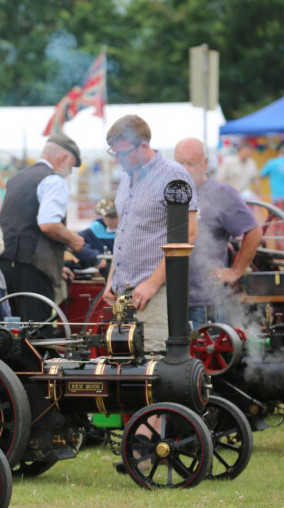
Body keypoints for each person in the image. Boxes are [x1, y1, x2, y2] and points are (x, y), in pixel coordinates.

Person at [102, 115, 198, 353]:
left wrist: (153, 283)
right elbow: (123, 235)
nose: (118, 161)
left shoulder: (173, 175)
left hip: (155, 293)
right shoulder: (126, 178)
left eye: (122, 154)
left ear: (143, 145)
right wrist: (112, 279)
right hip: (123, 293)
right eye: (114, 154)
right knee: (124, 364)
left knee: (153, 367)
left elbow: (189, 235)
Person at [0, 133, 85, 325]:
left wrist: (54, 266)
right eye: (71, 165)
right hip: (32, 270)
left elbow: (21, 222)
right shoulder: (54, 180)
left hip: (5, 265)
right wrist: (74, 240)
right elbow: (48, 224)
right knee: (37, 332)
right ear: (63, 158)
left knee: (13, 329)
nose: (70, 171)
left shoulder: (17, 178)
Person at [174, 138, 262, 328]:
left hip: (205, 301)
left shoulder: (221, 193)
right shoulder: (170, 193)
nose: (185, 168)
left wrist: (236, 271)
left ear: (205, 163)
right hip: (170, 299)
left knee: (204, 354)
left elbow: (253, 231)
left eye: (191, 163)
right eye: (180, 163)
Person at [67, 196, 118, 278]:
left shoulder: (133, 233)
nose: (108, 220)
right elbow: (70, 243)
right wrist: (94, 258)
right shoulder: (94, 231)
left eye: (113, 217)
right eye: (105, 216)